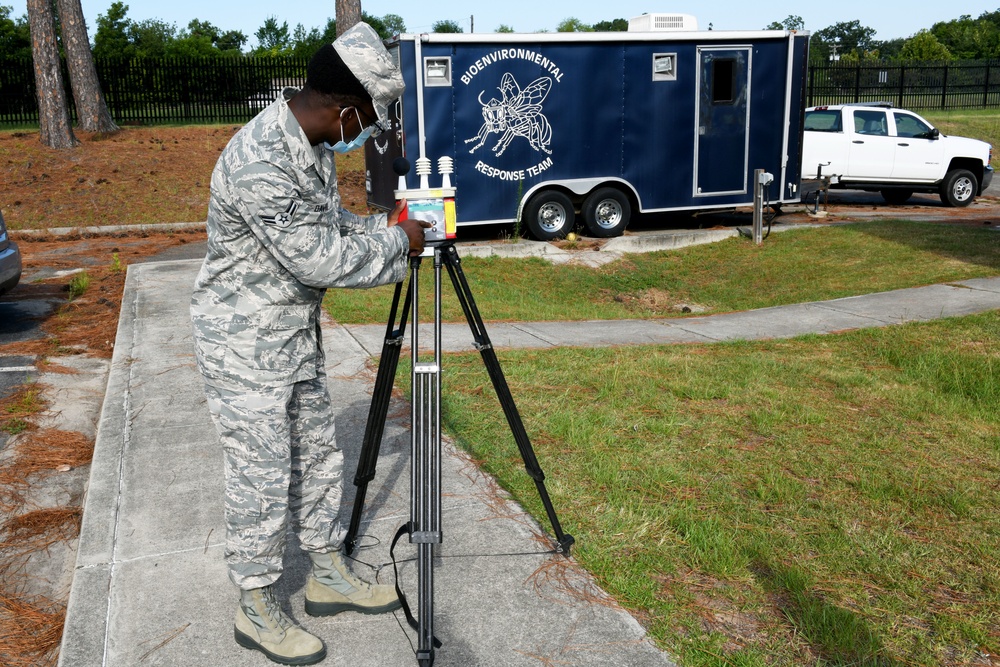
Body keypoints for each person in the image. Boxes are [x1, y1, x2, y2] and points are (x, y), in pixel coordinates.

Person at [190, 22, 428, 666]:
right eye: (365, 123)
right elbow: (319, 259)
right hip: (244, 347)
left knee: (319, 454)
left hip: (291, 334)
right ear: (344, 107)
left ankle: (326, 575)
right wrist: (398, 246)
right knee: (261, 474)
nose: (361, 139)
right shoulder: (261, 160)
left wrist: (381, 226)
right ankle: (256, 605)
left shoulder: (310, 144)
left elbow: (329, 222)